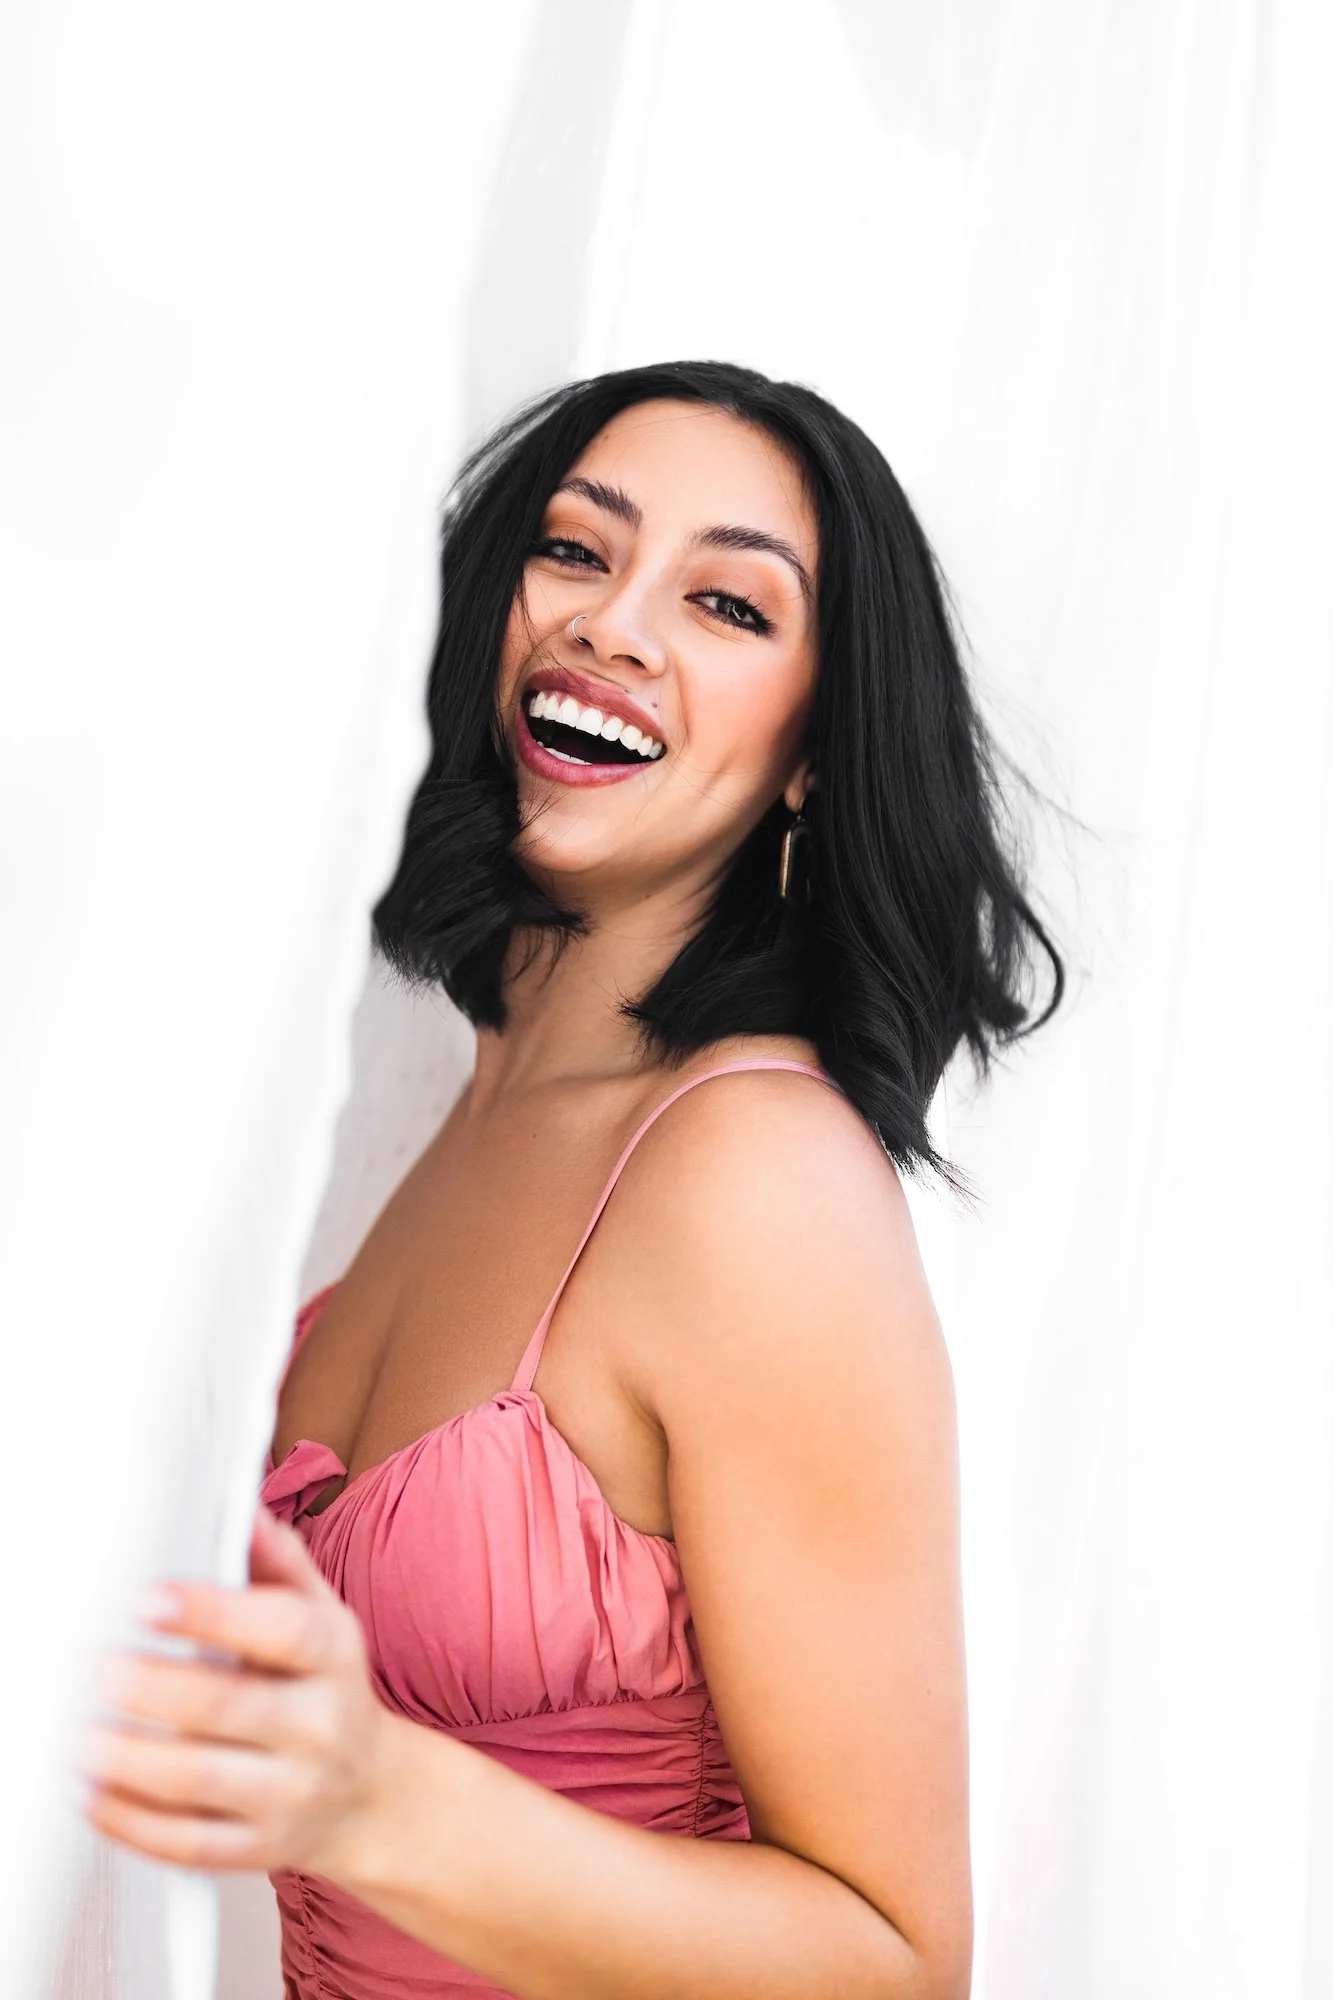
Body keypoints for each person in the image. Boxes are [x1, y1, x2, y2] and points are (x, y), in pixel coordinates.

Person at [80, 360, 1063, 1998]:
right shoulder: (468, 1109)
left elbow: (898, 1961)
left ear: (815, 754)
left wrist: (377, 1801)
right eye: (575, 550)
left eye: (729, 605)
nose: (615, 625)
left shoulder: (756, 1176)